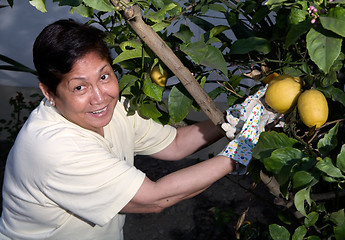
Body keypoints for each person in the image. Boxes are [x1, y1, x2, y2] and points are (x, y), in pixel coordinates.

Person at [0, 19, 275, 239]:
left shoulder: (114, 107)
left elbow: (175, 144)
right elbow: (156, 198)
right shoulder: (54, 149)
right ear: (48, 92)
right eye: (79, 87)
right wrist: (239, 151)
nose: (100, 97)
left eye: (104, 76)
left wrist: (234, 118)